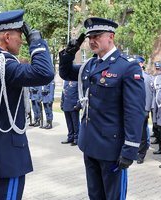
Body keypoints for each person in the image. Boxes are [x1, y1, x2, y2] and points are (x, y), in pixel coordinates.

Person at [0, 10, 54, 199]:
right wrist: (37, 42)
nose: (22, 40)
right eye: (20, 35)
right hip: (7, 158)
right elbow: (44, 73)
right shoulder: (3, 63)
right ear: (7, 36)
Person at [59, 17, 145, 200]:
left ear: (111, 37)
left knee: (113, 196)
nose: (92, 41)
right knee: (95, 195)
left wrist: (130, 149)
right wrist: (68, 53)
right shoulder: (90, 65)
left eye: (97, 36)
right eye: (90, 37)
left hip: (112, 148)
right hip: (90, 144)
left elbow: (134, 112)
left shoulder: (127, 67)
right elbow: (66, 73)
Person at [134, 55, 153, 164]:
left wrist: (146, 109)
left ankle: (141, 154)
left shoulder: (145, 77)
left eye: (137, 63)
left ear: (141, 64)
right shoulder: (130, 75)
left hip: (141, 109)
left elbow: (148, 95)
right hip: (132, 109)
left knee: (142, 133)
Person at [60, 80, 81, 146]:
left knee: (75, 123)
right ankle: (70, 137)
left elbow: (80, 93)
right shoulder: (65, 81)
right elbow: (63, 92)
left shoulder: (77, 81)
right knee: (69, 123)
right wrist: (62, 103)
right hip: (66, 105)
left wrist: (78, 104)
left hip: (73, 105)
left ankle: (76, 139)